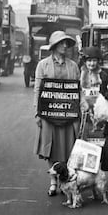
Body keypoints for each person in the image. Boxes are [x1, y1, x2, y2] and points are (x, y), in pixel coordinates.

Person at [33, 31, 83, 196]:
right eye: (62, 43)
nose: (65, 46)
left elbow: (78, 90)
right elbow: (38, 90)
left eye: (67, 43)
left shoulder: (73, 66)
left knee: (70, 147)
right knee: (51, 147)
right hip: (49, 113)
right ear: (54, 45)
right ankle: (53, 182)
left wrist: (82, 106)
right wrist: (37, 113)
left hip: (68, 114)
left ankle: (66, 180)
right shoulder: (43, 65)